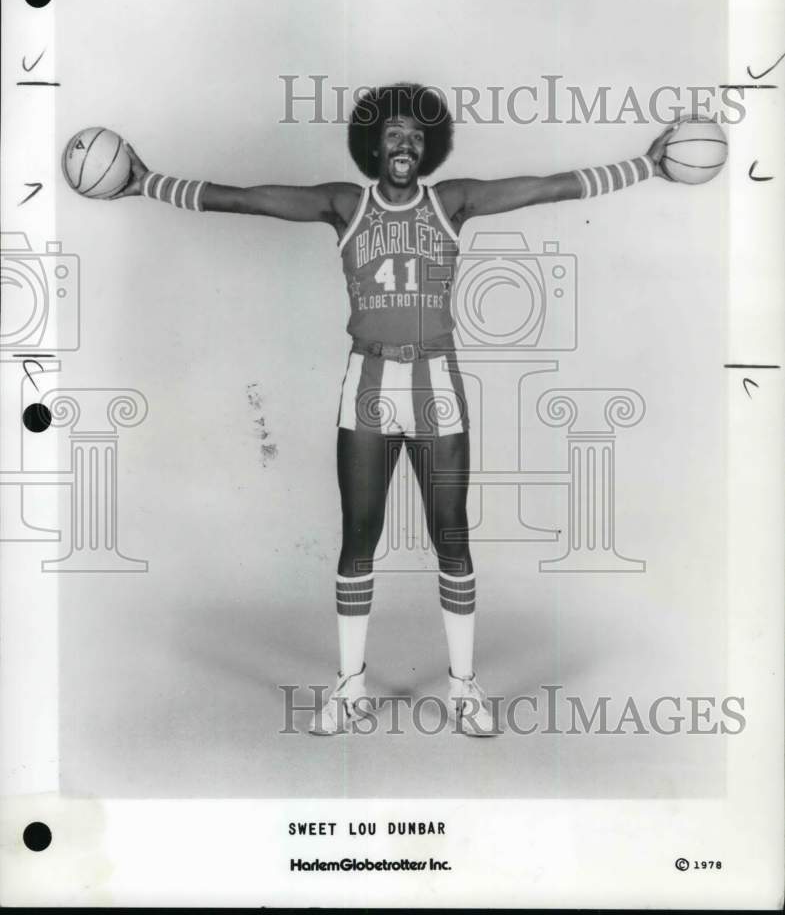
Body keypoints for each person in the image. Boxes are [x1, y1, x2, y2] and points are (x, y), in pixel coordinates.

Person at [110, 82, 677, 736]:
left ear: (427, 147)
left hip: (437, 381)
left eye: (415, 135)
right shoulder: (344, 204)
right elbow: (242, 198)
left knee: (451, 534)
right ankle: (350, 686)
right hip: (369, 382)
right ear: (373, 145)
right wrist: (146, 183)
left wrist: (647, 165)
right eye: (392, 133)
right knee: (359, 536)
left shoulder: (452, 201)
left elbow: (549, 187)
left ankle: (463, 687)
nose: (404, 142)